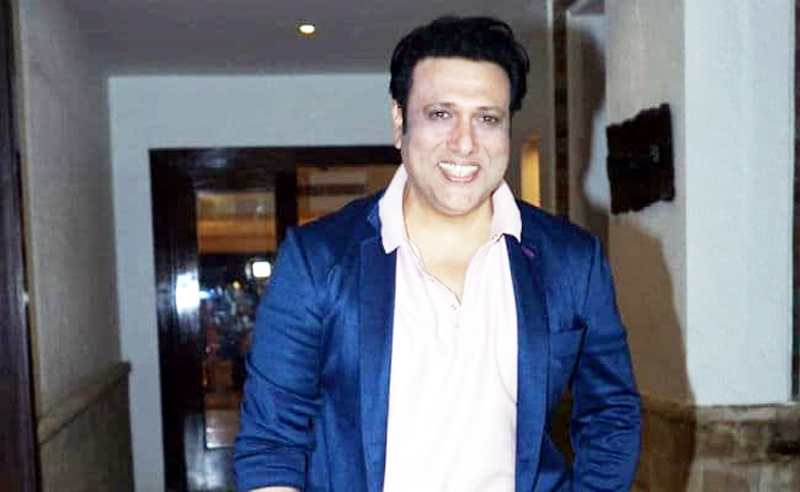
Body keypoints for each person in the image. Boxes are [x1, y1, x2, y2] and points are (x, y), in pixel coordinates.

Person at [234, 16, 640, 492]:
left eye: (487, 118)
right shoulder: (318, 261)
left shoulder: (572, 261)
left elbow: (612, 412)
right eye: (441, 114)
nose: (464, 143)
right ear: (399, 121)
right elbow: (271, 444)